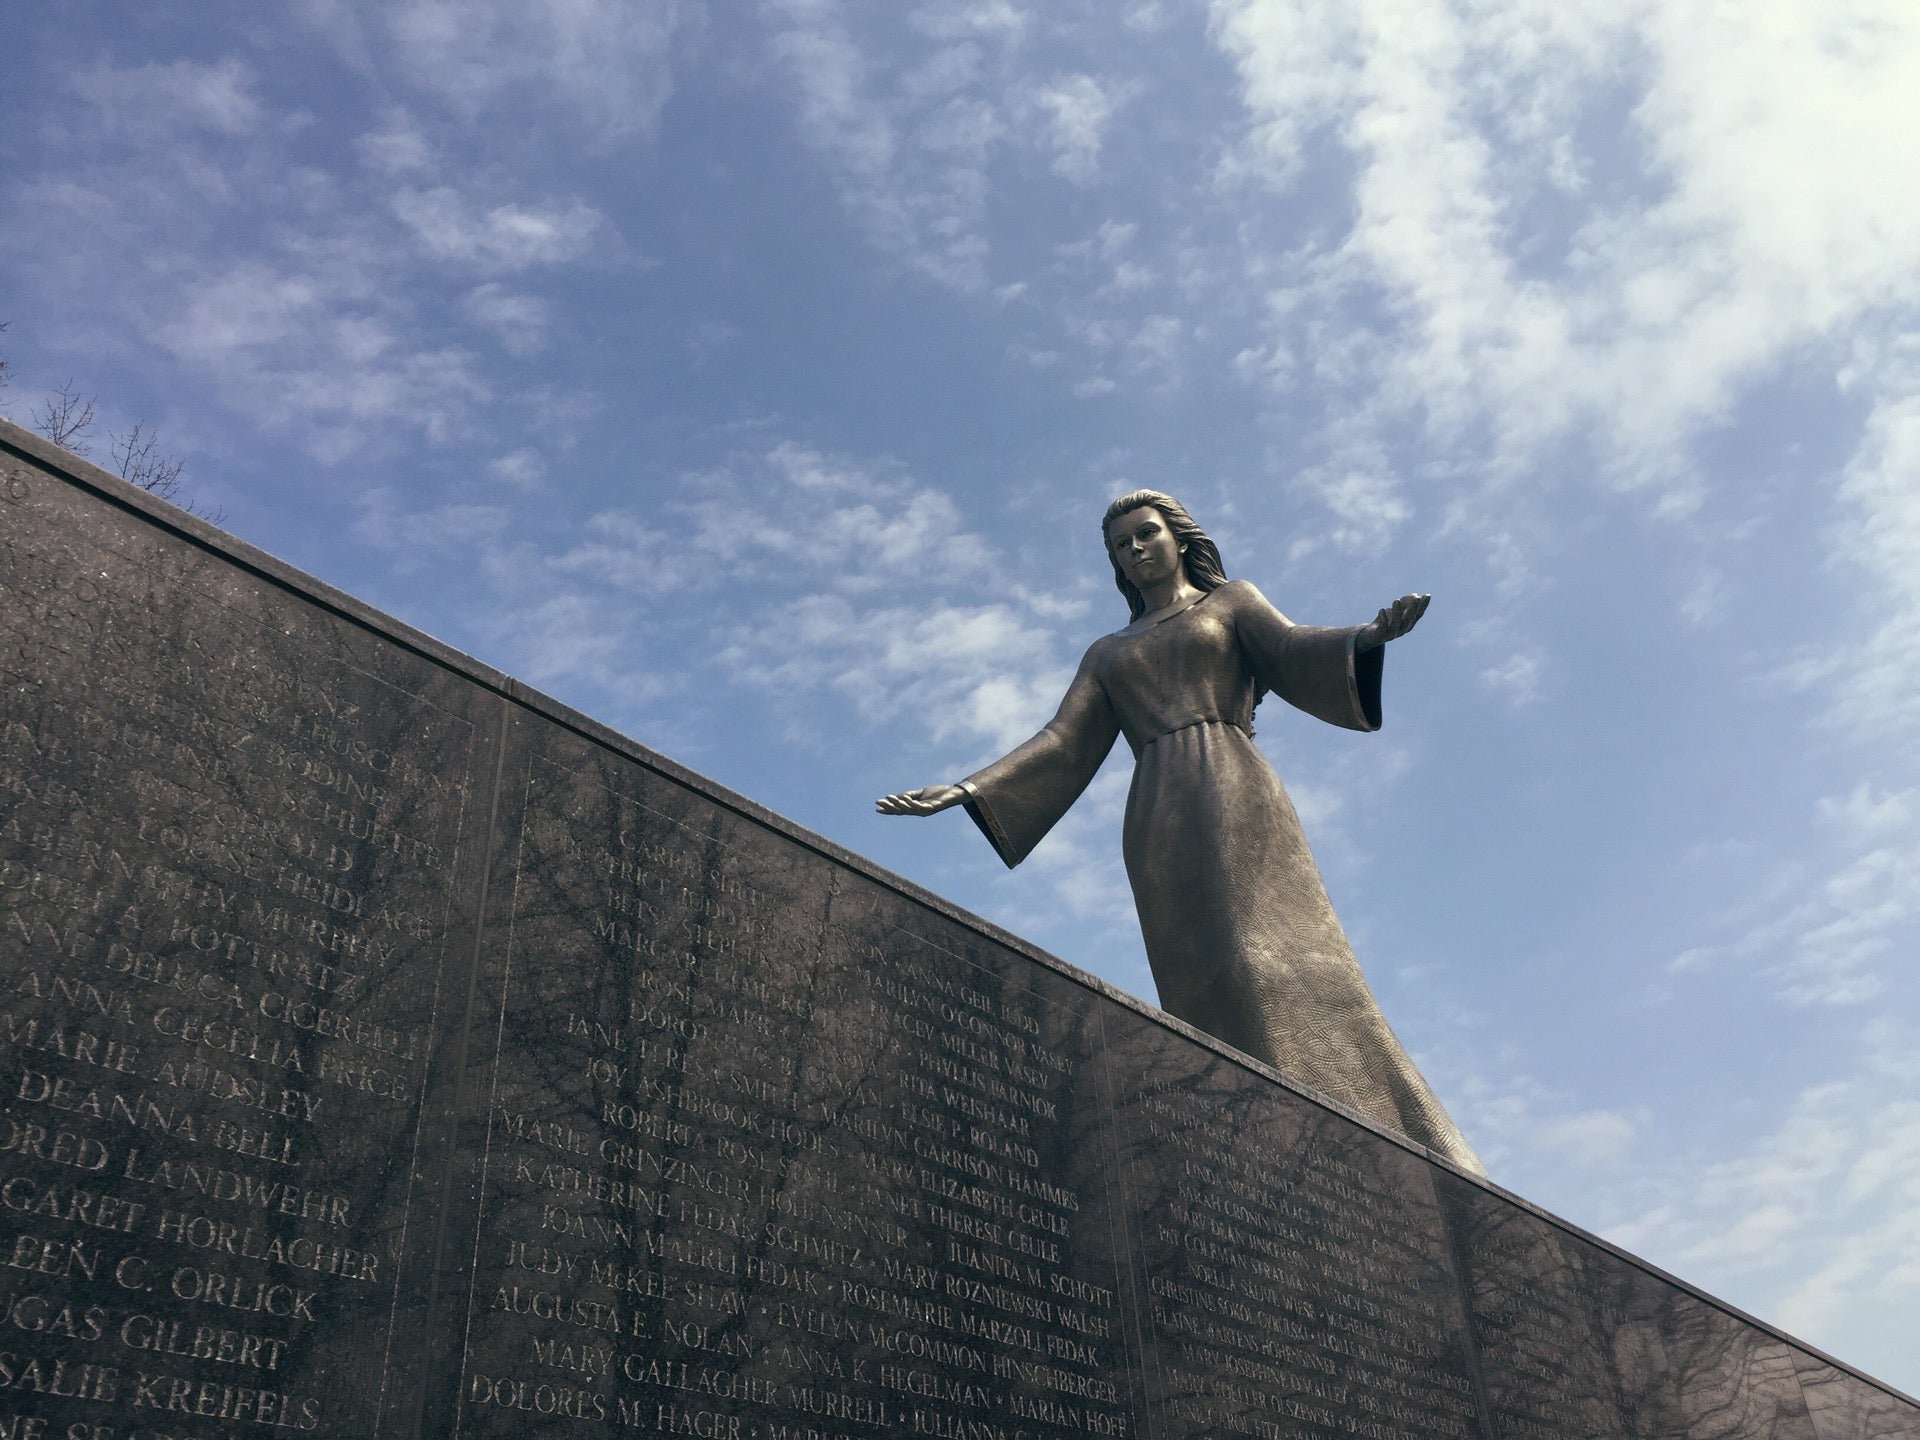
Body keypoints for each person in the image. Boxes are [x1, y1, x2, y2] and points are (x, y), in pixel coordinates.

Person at [878, 490, 1484, 1175]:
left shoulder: (1231, 603)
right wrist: (969, 788)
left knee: (1267, 962)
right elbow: (1062, 740)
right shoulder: (1107, 653)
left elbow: (1293, 647)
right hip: (1156, 817)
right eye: (1121, 545)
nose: (1135, 550)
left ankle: (1386, 1144)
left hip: (1236, 792)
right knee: (1200, 988)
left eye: (1146, 534)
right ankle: (1249, 1154)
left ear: (1179, 537)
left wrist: (1367, 638)